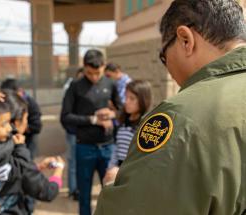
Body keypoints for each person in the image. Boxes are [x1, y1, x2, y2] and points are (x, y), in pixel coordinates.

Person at [94, 0, 246, 214]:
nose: (169, 69)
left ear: (185, 40)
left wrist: (114, 188)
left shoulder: (180, 117)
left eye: (163, 57)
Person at [61, 49, 122, 215]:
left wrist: (112, 114)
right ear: (84, 67)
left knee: (109, 193)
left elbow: (122, 110)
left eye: (98, 73)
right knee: (84, 194)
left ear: (104, 67)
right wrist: (92, 120)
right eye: (89, 73)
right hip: (84, 148)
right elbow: (65, 117)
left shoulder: (110, 84)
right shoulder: (75, 87)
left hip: (108, 147)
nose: (94, 77)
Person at [102, 80, 152, 185]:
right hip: (118, 169)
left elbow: (144, 159)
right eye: (126, 97)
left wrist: (121, 172)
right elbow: (117, 146)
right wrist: (111, 167)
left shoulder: (146, 125)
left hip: (133, 174)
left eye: (132, 98)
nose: (126, 102)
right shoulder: (123, 120)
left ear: (143, 100)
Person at [0, 78, 42, 159]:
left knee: (27, 159)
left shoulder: (31, 104)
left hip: (28, 139)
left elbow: (37, 127)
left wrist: (20, 128)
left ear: (20, 91)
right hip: (14, 140)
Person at [61, 67, 84, 200]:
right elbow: (64, 116)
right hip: (73, 133)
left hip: (84, 134)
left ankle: (78, 189)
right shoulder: (70, 91)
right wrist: (70, 130)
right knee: (73, 162)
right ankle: (73, 189)